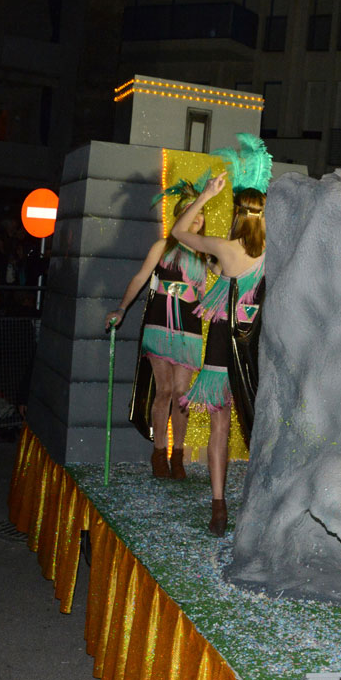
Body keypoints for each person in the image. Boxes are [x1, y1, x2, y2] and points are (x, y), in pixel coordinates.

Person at [173, 139, 271, 536]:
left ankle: (219, 506)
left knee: (221, 427)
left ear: (236, 213)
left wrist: (206, 196)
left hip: (222, 342)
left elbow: (179, 231)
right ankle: (254, 504)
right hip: (257, 344)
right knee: (261, 426)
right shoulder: (274, 250)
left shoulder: (226, 250)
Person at [104, 182, 208, 480]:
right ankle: (159, 454)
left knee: (182, 394)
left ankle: (178, 457)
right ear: (180, 216)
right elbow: (139, 279)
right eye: (190, 212)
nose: (196, 218)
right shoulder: (162, 247)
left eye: (200, 215)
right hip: (160, 323)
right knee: (163, 391)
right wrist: (121, 309)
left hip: (189, 327)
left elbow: (207, 292)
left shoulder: (204, 254)